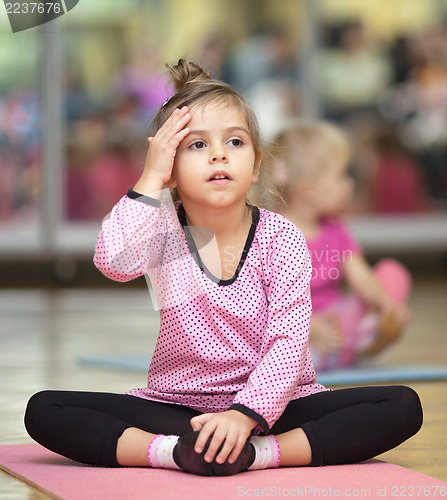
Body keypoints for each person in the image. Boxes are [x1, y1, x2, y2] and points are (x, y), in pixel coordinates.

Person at [24, 60, 422, 476]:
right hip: (179, 410)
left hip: (276, 409)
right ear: (172, 168)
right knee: (45, 409)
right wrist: (150, 178)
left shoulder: (281, 237)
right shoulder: (160, 227)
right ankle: (174, 453)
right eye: (197, 145)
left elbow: (288, 342)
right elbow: (113, 262)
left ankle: (258, 454)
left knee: (400, 405)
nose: (218, 154)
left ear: (254, 166)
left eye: (234, 142)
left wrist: (244, 416)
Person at [269, 120, 413, 371]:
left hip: (339, 320)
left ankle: (369, 332)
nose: (350, 184)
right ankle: (342, 349)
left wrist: (384, 304)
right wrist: (308, 327)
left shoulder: (336, 229)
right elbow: (265, 298)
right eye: (342, 175)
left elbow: (361, 277)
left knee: (392, 272)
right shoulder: (272, 231)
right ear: (309, 190)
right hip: (300, 329)